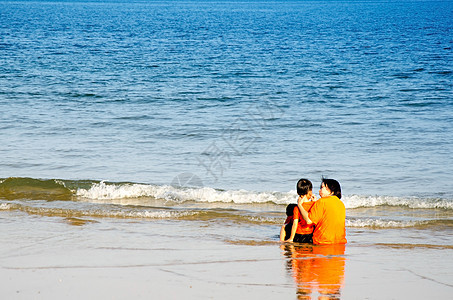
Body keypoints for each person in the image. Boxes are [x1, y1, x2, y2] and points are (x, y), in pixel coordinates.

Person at [297, 178, 347, 245]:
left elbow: (309, 220)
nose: (319, 190)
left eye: (322, 188)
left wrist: (300, 205)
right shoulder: (341, 204)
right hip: (340, 242)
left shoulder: (322, 201)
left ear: (331, 191)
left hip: (322, 241)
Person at [280, 179, 316, 243]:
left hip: (298, 235)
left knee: (284, 226)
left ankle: (281, 241)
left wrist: (291, 238)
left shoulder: (297, 207)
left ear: (298, 193)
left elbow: (295, 224)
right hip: (310, 235)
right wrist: (314, 202)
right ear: (310, 192)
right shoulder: (314, 205)